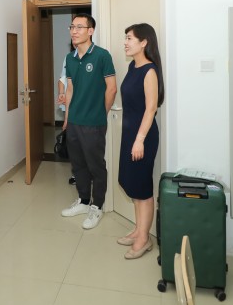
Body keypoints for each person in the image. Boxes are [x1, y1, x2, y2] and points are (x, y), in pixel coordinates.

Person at [61, 13, 117, 229]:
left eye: (79, 27)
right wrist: (67, 117)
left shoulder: (102, 56)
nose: (74, 31)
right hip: (74, 122)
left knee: (96, 166)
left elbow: (111, 89)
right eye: (72, 27)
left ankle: (97, 206)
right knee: (78, 165)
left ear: (90, 31)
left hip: (94, 123)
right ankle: (84, 201)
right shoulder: (70, 58)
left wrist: (100, 113)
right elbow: (70, 89)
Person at [117, 23, 164, 259]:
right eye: (125, 38)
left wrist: (140, 140)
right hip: (130, 135)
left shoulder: (149, 71)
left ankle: (144, 239)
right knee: (133, 184)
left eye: (130, 38)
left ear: (144, 42)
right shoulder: (132, 67)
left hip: (142, 136)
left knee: (143, 187)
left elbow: (151, 108)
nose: (125, 42)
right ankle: (138, 230)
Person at [56, 42, 76, 184]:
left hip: (85, 108)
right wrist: (61, 93)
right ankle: (76, 174)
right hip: (70, 107)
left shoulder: (98, 56)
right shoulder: (69, 58)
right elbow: (62, 79)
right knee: (73, 143)